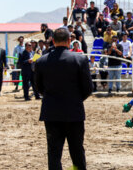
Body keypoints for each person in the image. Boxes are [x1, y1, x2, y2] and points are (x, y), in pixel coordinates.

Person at [35, 28, 93, 170]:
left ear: (53, 41)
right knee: (77, 151)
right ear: (69, 41)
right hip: (74, 112)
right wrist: (76, 99)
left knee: (54, 154)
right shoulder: (79, 59)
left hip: (51, 112)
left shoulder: (41, 61)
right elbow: (88, 88)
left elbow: (39, 88)